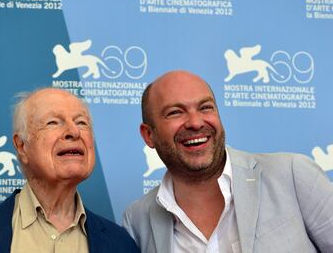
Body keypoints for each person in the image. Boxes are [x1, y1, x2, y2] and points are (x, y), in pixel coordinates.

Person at [123, 70, 333, 253]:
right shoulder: (137, 219)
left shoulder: (292, 174)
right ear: (149, 135)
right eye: (175, 112)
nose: (196, 123)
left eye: (205, 108)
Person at [0, 88, 139, 253]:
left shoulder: (121, 244)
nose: (74, 132)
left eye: (82, 122)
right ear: (21, 146)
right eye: (53, 122)